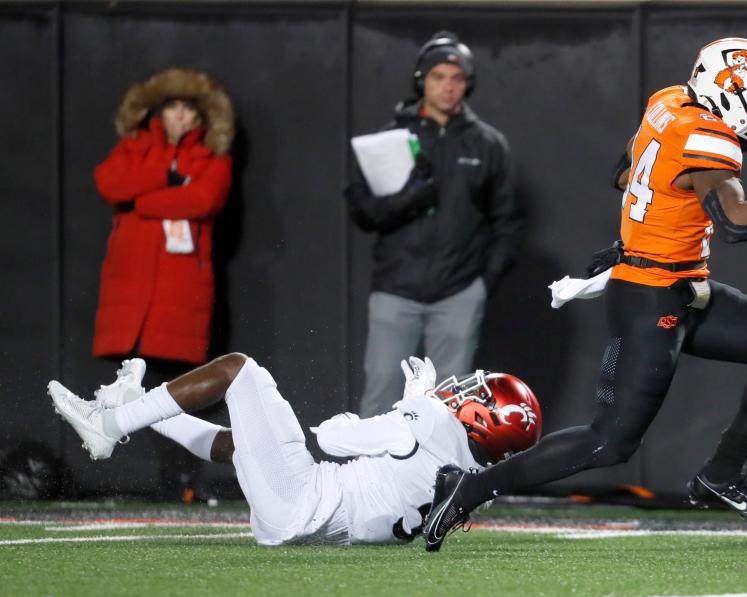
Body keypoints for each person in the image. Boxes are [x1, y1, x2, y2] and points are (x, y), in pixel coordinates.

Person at [422, 37, 747, 551]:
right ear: (728, 91)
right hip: (652, 297)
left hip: (682, 286)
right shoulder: (708, 136)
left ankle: (721, 474)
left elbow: (627, 172)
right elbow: (734, 221)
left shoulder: (669, 102)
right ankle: (467, 487)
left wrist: (634, 239)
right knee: (609, 441)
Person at [47, 355, 541, 546]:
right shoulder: (479, 484)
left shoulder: (431, 421)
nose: (462, 393)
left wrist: (407, 407)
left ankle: (107, 424)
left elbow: (330, 436)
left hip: (304, 498)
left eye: (477, 396)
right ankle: (134, 404)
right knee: (248, 442)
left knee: (239, 370)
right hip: (317, 526)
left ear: (488, 418)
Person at [345, 32, 523, 417]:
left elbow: (508, 222)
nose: (448, 86)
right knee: (380, 398)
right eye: (438, 76)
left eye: (457, 78)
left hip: (458, 293)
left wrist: (481, 284)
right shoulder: (390, 140)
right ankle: (370, 479)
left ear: (468, 84)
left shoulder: (489, 145)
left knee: (449, 407)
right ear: (421, 80)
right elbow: (362, 211)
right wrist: (406, 199)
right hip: (396, 289)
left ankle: (441, 479)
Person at [93, 68, 234, 367]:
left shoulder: (214, 156)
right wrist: (163, 176)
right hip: (129, 273)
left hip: (181, 279)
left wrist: (141, 203)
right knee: (123, 377)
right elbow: (109, 183)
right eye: (172, 107)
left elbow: (202, 200)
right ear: (159, 111)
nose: (180, 116)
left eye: (188, 108)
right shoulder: (136, 146)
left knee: (170, 377)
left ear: (201, 115)